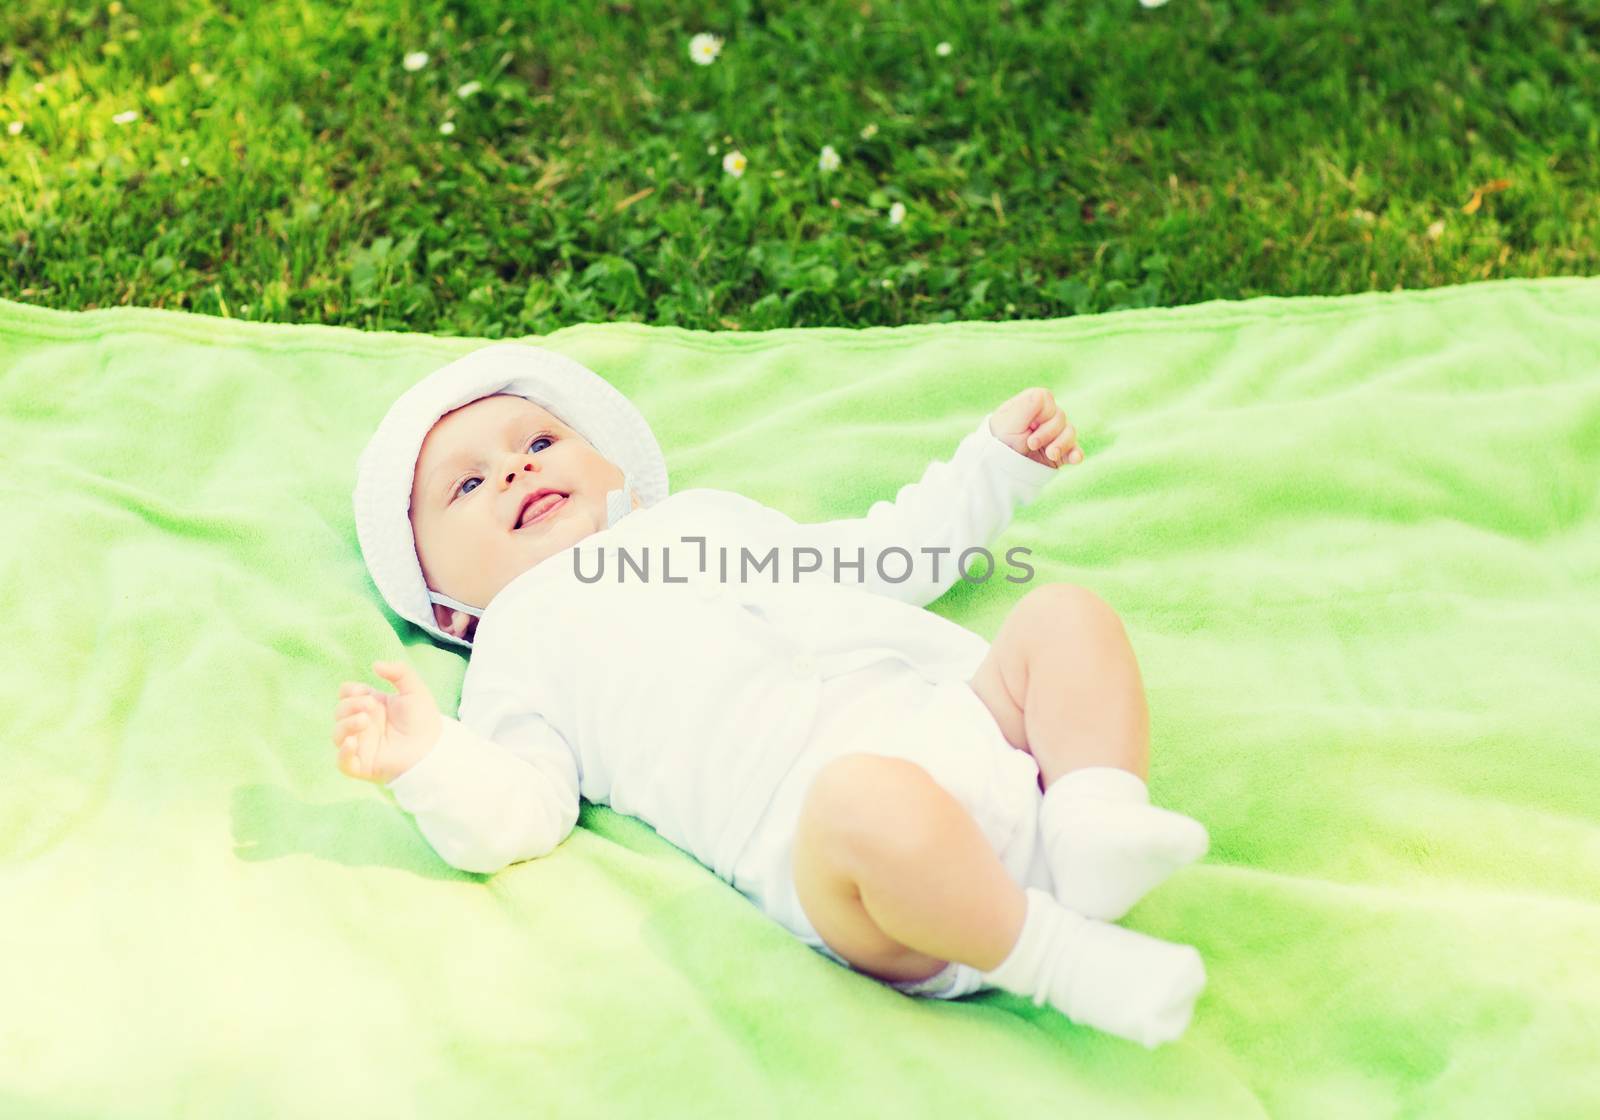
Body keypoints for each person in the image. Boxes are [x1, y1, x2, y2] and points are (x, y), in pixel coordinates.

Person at [338, 343, 1209, 1048]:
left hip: (974, 729)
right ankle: (1059, 956)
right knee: (865, 795)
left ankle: (1094, 819)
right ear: (447, 607)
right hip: (852, 866)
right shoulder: (516, 646)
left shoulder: (704, 523)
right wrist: (429, 762)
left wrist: (995, 464)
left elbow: (885, 551)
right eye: (466, 484)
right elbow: (521, 805)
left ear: (625, 476)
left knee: (1062, 618)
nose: (515, 474)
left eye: (538, 443)